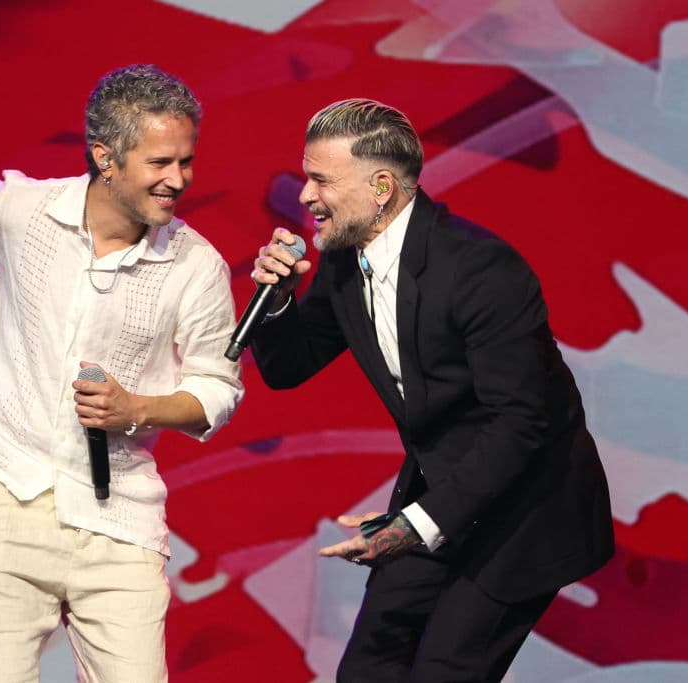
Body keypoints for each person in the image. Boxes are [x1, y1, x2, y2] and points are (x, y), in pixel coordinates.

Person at [250, 98, 613, 682]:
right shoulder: (345, 264)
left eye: (322, 181)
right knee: (368, 669)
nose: (307, 196)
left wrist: (412, 525)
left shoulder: (481, 270)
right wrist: (276, 300)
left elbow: (521, 424)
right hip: (442, 494)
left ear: (381, 188)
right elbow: (289, 367)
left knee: (445, 671)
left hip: (525, 507)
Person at [0, 64, 244, 683]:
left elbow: (218, 389)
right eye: (159, 163)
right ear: (105, 158)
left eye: (186, 161)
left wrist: (138, 409)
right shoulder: (24, 211)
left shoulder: (196, 265)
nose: (178, 180)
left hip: (119, 517)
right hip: (6, 497)